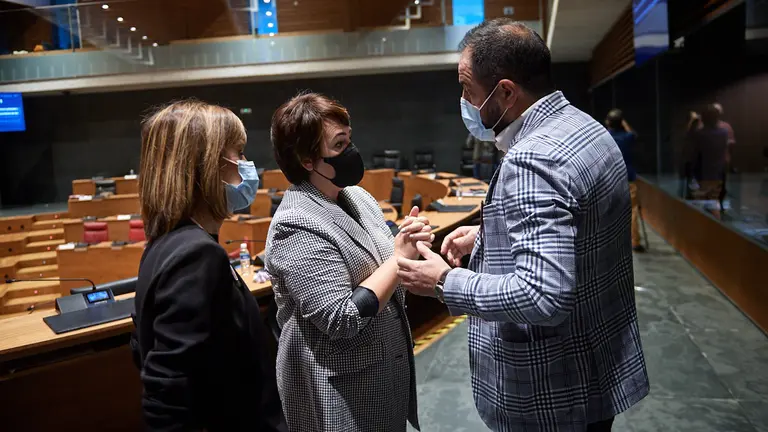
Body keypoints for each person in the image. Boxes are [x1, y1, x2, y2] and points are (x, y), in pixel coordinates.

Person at [396, 19, 649, 431]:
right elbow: (581, 224)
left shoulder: (532, 159)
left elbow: (543, 294)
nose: (463, 99)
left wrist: (445, 282)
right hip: (598, 364)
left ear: (507, 92)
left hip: (552, 391)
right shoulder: (587, 129)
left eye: (467, 88)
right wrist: (489, 233)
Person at [265, 92, 431, 432]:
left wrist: (406, 242)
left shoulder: (357, 196)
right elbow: (341, 318)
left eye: (349, 140)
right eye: (340, 145)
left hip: (385, 370)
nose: (352, 153)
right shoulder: (295, 224)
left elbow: (382, 267)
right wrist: (399, 259)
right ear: (306, 159)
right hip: (342, 390)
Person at [132, 100, 286, 431]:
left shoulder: (163, 245)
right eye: (239, 153)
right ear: (207, 165)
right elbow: (167, 397)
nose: (246, 166)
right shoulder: (197, 256)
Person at [606, 109, 644, 252]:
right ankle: (635, 241)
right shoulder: (627, 137)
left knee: (610, 210)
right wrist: (624, 123)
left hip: (609, 179)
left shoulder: (605, 136)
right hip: (628, 178)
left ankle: (611, 240)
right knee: (633, 210)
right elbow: (634, 135)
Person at [685, 104, 729, 217]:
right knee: (713, 203)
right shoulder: (724, 133)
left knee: (700, 207)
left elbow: (689, 135)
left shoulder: (700, 134)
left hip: (702, 175)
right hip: (717, 174)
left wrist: (694, 120)